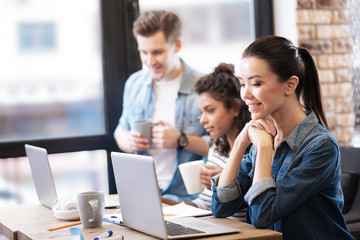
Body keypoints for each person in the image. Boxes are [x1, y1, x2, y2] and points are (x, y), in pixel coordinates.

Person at [211, 36, 355, 240]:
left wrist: (263, 149)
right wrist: (241, 143)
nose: (245, 95)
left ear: (290, 85)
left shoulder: (320, 146)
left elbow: (263, 214)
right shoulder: (264, 137)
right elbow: (222, 205)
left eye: (256, 83)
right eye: (243, 84)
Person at [113, 10, 209, 202]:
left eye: (157, 52)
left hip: (188, 200)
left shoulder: (204, 87)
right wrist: (128, 141)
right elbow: (120, 130)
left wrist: (181, 140)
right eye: (144, 52)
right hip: (143, 194)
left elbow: (222, 148)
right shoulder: (134, 84)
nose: (150, 61)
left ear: (177, 45)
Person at [161, 63, 251, 210]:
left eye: (209, 110)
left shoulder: (253, 153)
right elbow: (203, 205)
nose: (202, 120)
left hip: (242, 231)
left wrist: (229, 181)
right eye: (201, 111)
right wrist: (160, 201)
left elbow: (257, 205)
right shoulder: (216, 148)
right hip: (215, 225)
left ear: (235, 108)